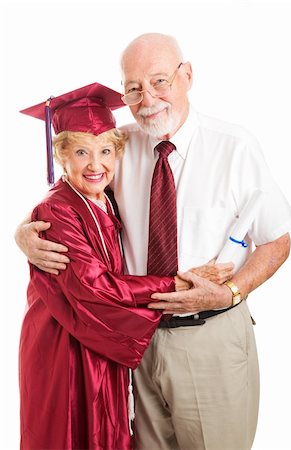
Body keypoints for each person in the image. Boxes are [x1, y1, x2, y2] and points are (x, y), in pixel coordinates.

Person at [15, 34, 291, 450]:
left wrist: (229, 291)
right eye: (133, 87)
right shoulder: (120, 144)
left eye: (160, 81)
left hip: (210, 337)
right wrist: (23, 230)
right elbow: (72, 192)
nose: (148, 99)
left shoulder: (233, 146)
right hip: (137, 342)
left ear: (187, 76)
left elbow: (277, 241)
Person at [18, 82, 199, 450]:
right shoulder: (56, 210)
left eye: (105, 151)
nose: (95, 164)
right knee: (71, 430)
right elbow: (95, 288)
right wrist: (172, 285)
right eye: (81, 152)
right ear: (61, 157)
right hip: (64, 343)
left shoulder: (106, 199)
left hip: (95, 334)